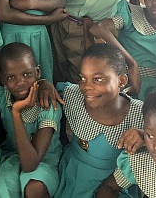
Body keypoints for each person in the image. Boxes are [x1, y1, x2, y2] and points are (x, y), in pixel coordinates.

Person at [37, 43, 143, 198]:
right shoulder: (72, 95)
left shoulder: (139, 113)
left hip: (114, 183)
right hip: (72, 173)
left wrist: (144, 136)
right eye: (82, 78)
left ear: (121, 81)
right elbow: (50, 89)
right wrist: (43, 83)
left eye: (98, 79)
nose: (87, 87)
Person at [0, 43, 62, 198]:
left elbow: (30, 165)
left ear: (37, 72)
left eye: (27, 74)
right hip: (12, 157)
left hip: (44, 163)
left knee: (34, 187)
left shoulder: (48, 105)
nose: (20, 82)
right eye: (11, 77)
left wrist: (16, 113)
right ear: (2, 79)